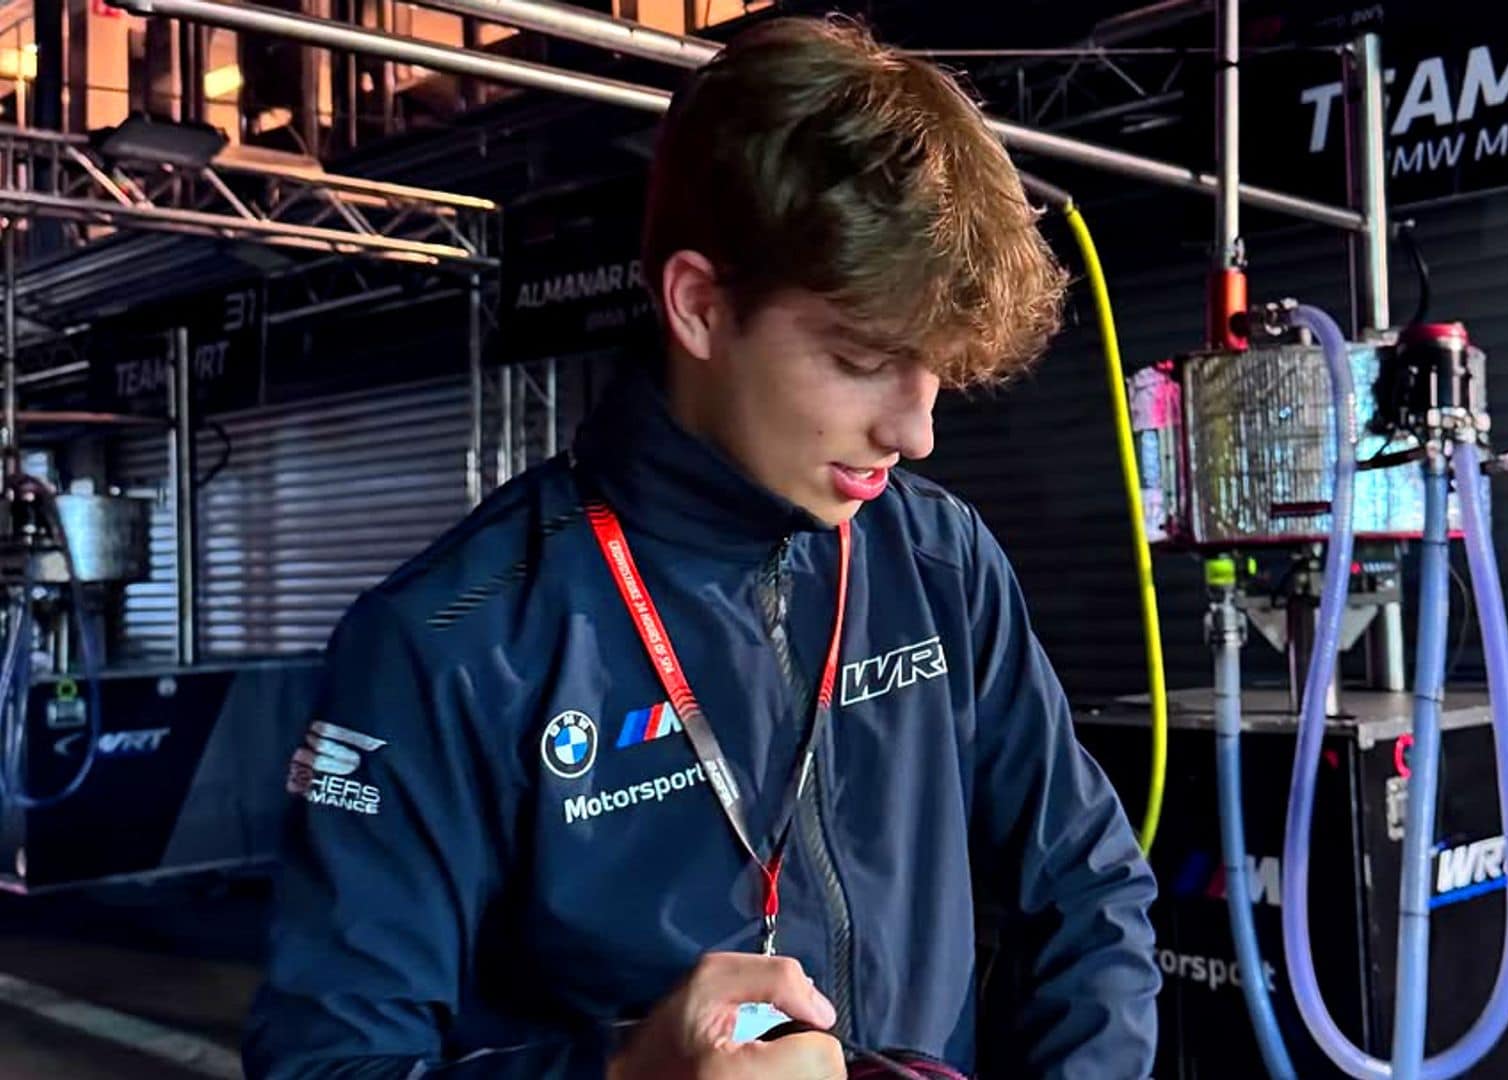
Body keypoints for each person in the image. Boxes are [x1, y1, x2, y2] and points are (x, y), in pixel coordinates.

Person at [244, 14, 1159, 1080]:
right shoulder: (445, 642)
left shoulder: (940, 560)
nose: (915, 432)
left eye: (937, 370)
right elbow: (324, 1066)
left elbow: (1091, 892)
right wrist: (626, 1075)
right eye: (864, 358)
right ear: (699, 305)